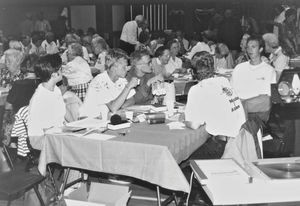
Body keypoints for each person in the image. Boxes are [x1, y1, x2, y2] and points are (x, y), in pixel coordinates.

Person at [185, 51, 246, 138]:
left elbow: (194, 124)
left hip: (226, 144)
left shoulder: (197, 89)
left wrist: (184, 120)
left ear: (192, 72)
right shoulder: (223, 80)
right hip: (242, 137)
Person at [79, 49, 139, 119]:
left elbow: (131, 100)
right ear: (113, 67)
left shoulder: (121, 80)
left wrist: (121, 107)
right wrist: (128, 87)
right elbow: (113, 107)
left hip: (106, 118)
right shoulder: (100, 81)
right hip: (91, 121)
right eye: (124, 67)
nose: (127, 69)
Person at [231, 36, 276, 122]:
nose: (249, 50)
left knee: (265, 101)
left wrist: (242, 104)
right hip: (238, 108)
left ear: (260, 49)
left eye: (253, 47)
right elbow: (231, 91)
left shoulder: (269, 70)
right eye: (248, 47)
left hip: (257, 112)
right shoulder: (239, 68)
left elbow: (266, 100)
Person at [27, 54, 65, 137]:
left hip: (55, 133)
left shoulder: (56, 89)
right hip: (42, 138)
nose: (63, 72)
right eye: (61, 69)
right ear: (54, 75)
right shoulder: (41, 97)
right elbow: (47, 130)